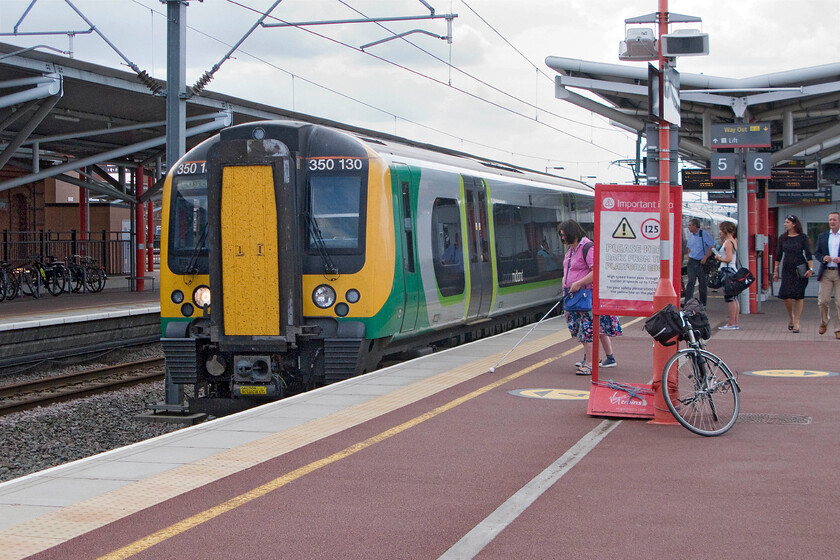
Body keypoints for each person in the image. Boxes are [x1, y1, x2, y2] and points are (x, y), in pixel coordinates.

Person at [558, 219, 622, 375]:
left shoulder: (587, 248)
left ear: (572, 233)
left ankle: (589, 363)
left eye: (564, 235)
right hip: (573, 295)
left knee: (587, 329)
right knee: (586, 328)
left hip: (586, 295)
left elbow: (596, 271)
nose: (562, 239)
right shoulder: (571, 250)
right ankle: (601, 357)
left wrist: (579, 283)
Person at [773, 214, 814, 333]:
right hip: (787, 268)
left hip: (800, 268)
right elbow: (778, 255)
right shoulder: (783, 238)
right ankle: (791, 317)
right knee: (786, 295)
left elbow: (808, 254)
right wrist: (775, 270)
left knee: (799, 295)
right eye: (785, 222)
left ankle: (796, 321)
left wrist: (810, 268)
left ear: (794, 224)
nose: (785, 224)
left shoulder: (802, 237)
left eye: (787, 222)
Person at [814, 211, 840, 339]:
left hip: (839, 273)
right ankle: (824, 322)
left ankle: (838, 329)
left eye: (834, 219)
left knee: (839, 302)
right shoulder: (823, 236)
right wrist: (823, 258)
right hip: (826, 272)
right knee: (823, 301)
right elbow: (817, 253)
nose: (832, 222)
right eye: (830, 220)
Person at [714, 221, 740, 330]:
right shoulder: (733, 241)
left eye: (721, 230)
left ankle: (731, 323)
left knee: (730, 298)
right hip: (732, 270)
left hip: (727, 270)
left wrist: (719, 258)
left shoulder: (728, 243)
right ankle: (735, 322)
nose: (720, 232)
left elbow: (728, 259)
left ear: (725, 230)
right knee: (734, 298)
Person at [684, 218, 715, 305]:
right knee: (690, 282)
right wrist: (689, 259)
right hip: (692, 261)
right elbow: (689, 248)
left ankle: (702, 303)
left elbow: (711, 246)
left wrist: (705, 257)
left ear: (695, 226)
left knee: (702, 283)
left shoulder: (703, 234)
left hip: (702, 262)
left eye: (690, 225)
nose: (688, 227)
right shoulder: (690, 236)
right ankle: (687, 302)